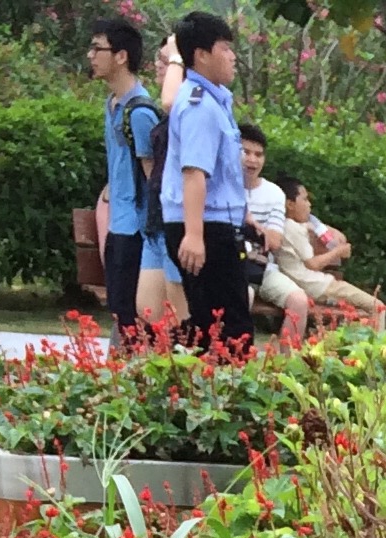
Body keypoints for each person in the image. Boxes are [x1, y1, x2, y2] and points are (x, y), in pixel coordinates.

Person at [159, 11, 251, 350]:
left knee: (212, 325)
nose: (232, 56)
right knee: (228, 331)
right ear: (201, 54)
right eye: (225, 48)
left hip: (213, 225)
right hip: (205, 228)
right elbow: (194, 173)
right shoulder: (199, 105)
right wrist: (194, 235)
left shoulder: (213, 100)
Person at [87, 17, 166, 337]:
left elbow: (153, 179)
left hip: (137, 231)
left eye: (97, 48)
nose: (91, 56)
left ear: (121, 56)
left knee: (135, 319)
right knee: (121, 314)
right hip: (118, 226)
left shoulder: (140, 112)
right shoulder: (112, 104)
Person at [275, 184, 386, 337]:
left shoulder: (284, 225)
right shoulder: (292, 228)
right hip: (319, 287)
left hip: (313, 285)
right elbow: (313, 264)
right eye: (305, 199)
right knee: (378, 307)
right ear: (290, 204)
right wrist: (338, 252)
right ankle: (375, 353)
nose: (309, 204)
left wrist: (313, 227)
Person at [239, 123, 298, 341]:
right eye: (246, 152)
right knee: (245, 295)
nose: (252, 160)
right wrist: (257, 231)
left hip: (263, 267)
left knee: (299, 301)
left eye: (258, 154)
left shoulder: (274, 193)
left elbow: (273, 242)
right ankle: (237, 361)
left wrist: (249, 226)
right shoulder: (222, 187)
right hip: (232, 267)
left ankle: (288, 366)